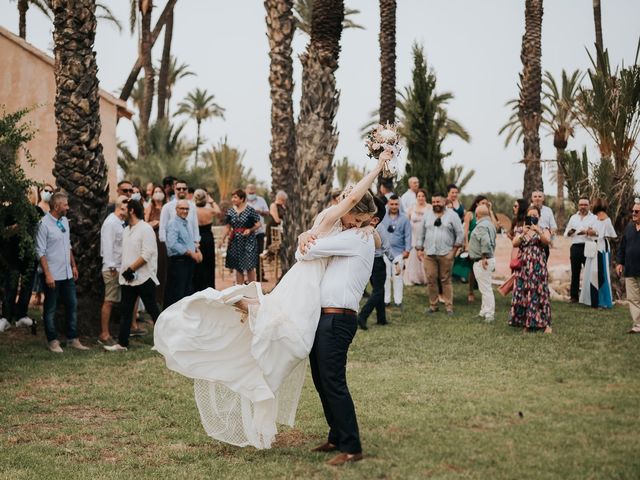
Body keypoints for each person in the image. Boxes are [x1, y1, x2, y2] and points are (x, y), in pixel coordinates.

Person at [153, 151, 389, 451]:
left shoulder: (358, 234)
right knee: (319, 373)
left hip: (329, 308)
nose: (351, 217)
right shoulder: (338, 220)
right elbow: (349, 207)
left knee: (322, 371)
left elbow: (309, 251)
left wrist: (319, 237)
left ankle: (349, 444)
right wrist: (377, 170)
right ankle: (337, 436)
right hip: (316, 297)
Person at [104, 200, 162, 352]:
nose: (120, 213)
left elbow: (147, 253)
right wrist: (125, 271)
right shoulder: (126, 230)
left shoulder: (145, 229)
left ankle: (163, 342)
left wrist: (131, 269)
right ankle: (122, 344)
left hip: (144, 277)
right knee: (126, 312)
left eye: (124, 209)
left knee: (153, 310)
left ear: (131, 211)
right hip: (128, 279)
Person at [36, 192, 89, 352]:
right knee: (50, 308)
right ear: (57, 206)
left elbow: (68, 245)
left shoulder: (64, 221)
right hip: (52, 274)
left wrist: (73, 265)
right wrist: (47, 274)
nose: (68, 207)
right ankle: (52, 340)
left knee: (72, 305)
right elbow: (40, 252)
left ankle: (72, 339)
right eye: (66, 205)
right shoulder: (43, 224)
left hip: (67, 274)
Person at [416, 192, 464, 315]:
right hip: (429, 253)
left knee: (446, 280)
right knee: (431, 280)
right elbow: (421, 233)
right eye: (434, 202)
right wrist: (419, 249)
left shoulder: (452, 215)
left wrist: (453, 252)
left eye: (438, 201)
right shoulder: (427, 215)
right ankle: (433, 306)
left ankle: (449, 307)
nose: (436, 204)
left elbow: (460, 234)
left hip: (446, 253)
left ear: (444, 202)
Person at [509, 205, 552, 333]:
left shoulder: (544, 229)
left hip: (538, 264)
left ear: (539, 216)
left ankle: (546, 324)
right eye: (530, 215)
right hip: (524, 265)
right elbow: (515, 243)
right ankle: (527, 322)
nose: (533, 217)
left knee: (540, 292)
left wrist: (537, 230)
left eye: (535, 215)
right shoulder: (521, 230)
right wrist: (524, 232)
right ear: (526, 216)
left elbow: (547, 242)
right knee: (524, 291)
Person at [358, 196, 393, 329]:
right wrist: (393, 260)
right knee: (378, 291)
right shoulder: (380, 226)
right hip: (377, 262)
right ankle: (362, 316)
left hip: (367, 261)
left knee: (379, 290)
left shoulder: (366, 224)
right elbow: (386, 246)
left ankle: (381, 318)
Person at [99, 195, 128, 346]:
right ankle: (104, 334)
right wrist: (112, 267)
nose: (127, 211)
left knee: (115, 301)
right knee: (109, 301)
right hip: (112, 268)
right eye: (125, 207)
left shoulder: (120, 222)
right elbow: (108, 245)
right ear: (119, 207)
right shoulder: (111, 222)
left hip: (120, 267)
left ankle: (113, 331)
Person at [164, 200, 202, 308]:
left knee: (187, 291)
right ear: (176, 209)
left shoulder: (186, 222)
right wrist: (189, 253)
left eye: (187, 209)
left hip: (188, 262)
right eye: (182, 208)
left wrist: (196, 250)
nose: (185, 211)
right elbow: (172, 243)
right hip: (178, 262)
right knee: (177, 293)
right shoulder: (173, 223)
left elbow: (187, 241)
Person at [580, 198, 616, 308]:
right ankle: (594, 301)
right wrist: (589, 232)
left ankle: (601, 300)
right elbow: (590, 230)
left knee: (600, 274)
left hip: (601, 249)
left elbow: (610, 234)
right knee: (593, 273)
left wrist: (595, 233)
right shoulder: (595, 219)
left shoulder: (607, 220)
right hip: (593, 249)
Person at [224, 189, 261, 285]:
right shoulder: (230, 212)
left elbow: (258, 224)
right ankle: (240, 290)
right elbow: (227, 227)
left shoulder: (250, 210)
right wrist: (222, 239)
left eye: (235, 197)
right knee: (238, 266)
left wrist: (250, 230)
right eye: (232, 197)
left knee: (249, 266)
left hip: (249, 241)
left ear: (242, 199)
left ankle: (252, 290)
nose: (233, 199)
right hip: (235, 241)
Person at [379, 195, 411, 307]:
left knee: (398, 276)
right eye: (391, 204)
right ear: (388, 204)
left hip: (399, 252)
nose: (394, 206)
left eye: (396, 204)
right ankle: (386, 300)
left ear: (399, 205)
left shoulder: (404, 218)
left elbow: (408, 235)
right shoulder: (383, 217)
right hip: (385, 252)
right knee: (386, 277)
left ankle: (398, 301)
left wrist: (407, 250)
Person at [564, 196, 597, 303]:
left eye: (585, 205)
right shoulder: (573, 217)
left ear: (589, 206)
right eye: (581, 204)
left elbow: (597, 233)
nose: (583, 207)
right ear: (578, 205)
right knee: (575, 272)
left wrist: (587, 232)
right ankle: (574, 297)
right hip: (575, 247)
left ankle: (589, 297)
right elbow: (566, 233)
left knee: (589, 273)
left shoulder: (594, 218)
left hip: (588, 246)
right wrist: (570, 232)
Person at [468, 205, 497, 322]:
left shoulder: (481, 226)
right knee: (484, 287)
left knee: (486, 289)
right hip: (487, 259)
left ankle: (489, 314)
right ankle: (484, 311)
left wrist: (484, 256)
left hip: (482, 260)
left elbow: (485, 241)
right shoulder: (490, 224)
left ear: (477, 215)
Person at [616, 202, 640, 333]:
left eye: (637, 211)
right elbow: (622, 246)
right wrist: (620, 262)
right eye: (633, 211)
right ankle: (637, 325)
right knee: (633, 298)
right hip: (630, 270)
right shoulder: (629, 227)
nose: (634, 214)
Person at [193, 189, 221, 291]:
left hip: (197, 238)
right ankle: (209, 287)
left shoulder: (193, 210)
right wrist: (212, 201)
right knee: (209, 263)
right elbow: (218, 211)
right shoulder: (210, 210)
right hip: (208, 238)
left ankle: (198, 288)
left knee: (199, 265)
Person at [159, 179, 200, 246]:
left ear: (187, 190)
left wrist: (196, 241)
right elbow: (163, 227)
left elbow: (195, 225)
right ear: (174, 189)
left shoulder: (192, 206)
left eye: (184, 189)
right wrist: (165, 244)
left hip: (190, 245)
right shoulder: (167, 207)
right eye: (179, 189)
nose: (181, 190)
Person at [145, 185, 167, 305]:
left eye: (160, 191)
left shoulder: (167, 207)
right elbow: (144, 223)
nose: (158, 193)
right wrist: (154, 223)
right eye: (156, 191)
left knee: (164, 267)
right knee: (155, 266)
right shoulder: (150, 207)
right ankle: (154, 299)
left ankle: (163, 297)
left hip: (165, 241)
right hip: (153, 239)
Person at [404, 189, 430, 286]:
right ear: (416, 197)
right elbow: (406, 222)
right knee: (413, 256)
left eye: (422, 196)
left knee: (425, 256)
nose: (421, 198)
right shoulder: (411, 208)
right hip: (413, 235)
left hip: (425, 235)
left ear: (425, 197)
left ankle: (426, 278)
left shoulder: (429, 207)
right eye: (419, 196)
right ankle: (413, 277)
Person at [246, 184, 270, 281]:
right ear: (246, 191)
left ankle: (260, 276)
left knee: (259, 254)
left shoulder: (261, 200)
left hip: (259, 232)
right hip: (248, 232)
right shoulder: (243, 201)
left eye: (253, 192)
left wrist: (260, 212)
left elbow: (267, 213)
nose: (251, 194)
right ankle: (248, 278)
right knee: (248, 254)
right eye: (250, 192)